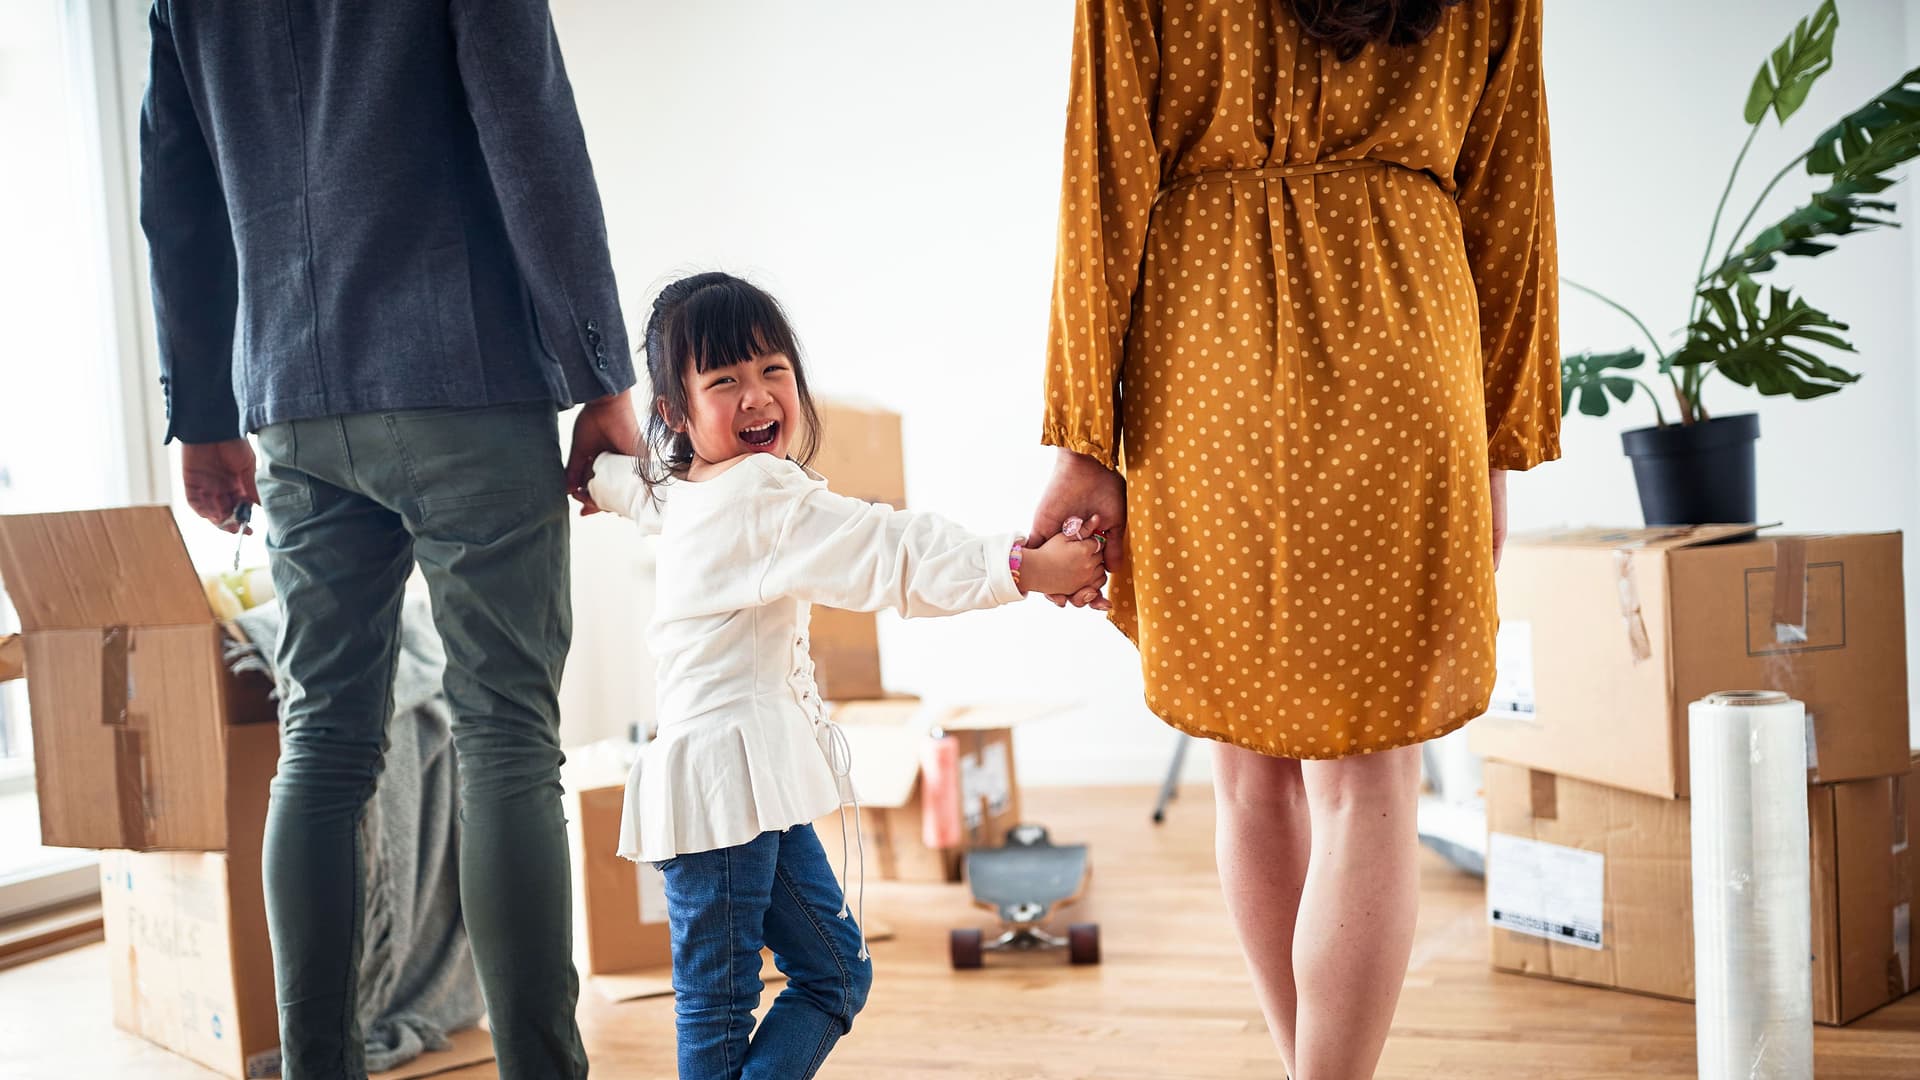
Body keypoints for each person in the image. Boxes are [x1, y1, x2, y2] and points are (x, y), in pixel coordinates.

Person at [1029, 1, 1560, 1076]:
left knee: (1246, 768)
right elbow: (1511, 190)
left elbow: (1103, 174)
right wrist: (1499, 442)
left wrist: (1083, 440)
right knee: (1375, 779)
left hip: (1209, 347)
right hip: (1406, 330)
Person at [139, 2, 636, 1076]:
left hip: (290, 397)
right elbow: (533, 134)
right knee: (505, 732)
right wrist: (601, 373)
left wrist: (207, 413)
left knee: (321, 742)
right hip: (467, 375)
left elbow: (175, 197)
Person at [585, 271, 1108, 1080]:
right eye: (724, 381)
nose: (757, 396)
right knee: (728, 1012)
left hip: (753, 788)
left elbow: (631, 487)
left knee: (834, 972)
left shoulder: (686, 491)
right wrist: (1024, 569)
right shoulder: (760, 493)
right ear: (677, 415)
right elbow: (891, 552)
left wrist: (592, 474)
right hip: (726, 794)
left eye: (772, 370)